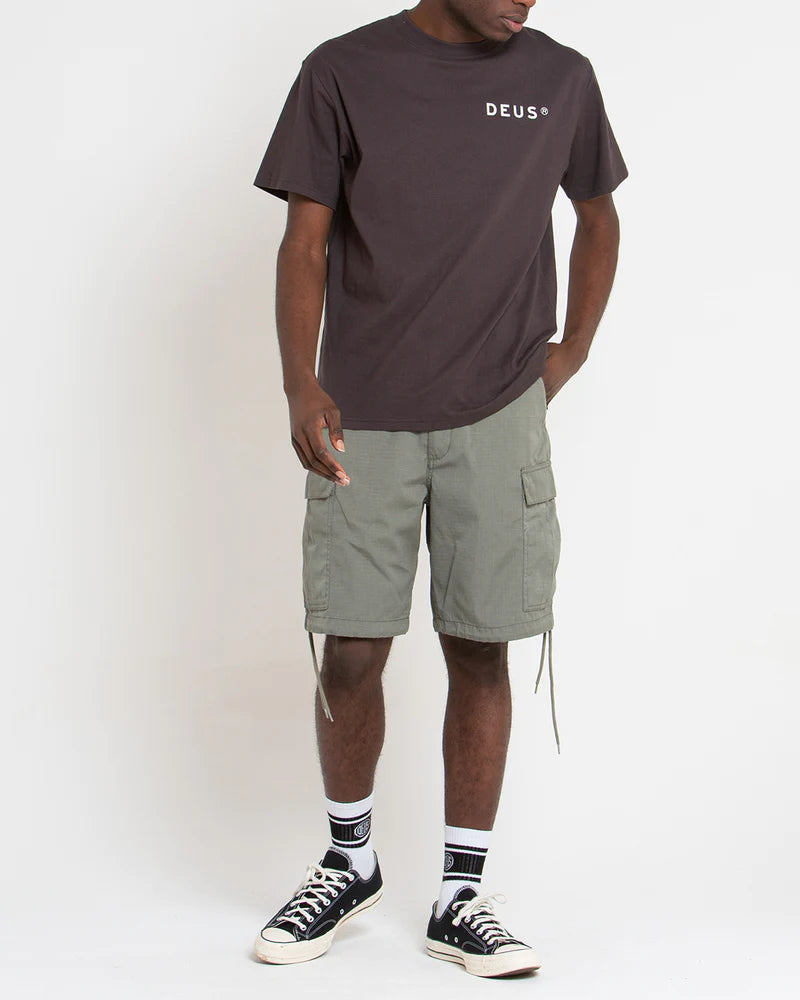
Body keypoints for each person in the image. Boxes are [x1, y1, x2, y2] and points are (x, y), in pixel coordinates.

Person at [250, 0, 628, 978]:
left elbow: (598, 216)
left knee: (480, 644)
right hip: (363, 410)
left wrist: (571, 350)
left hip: (498, 408)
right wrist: (299, 381)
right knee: (350, 649)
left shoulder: (560, 78)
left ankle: (461, 895)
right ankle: (349, 861)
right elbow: (303, 240)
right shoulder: (342, 69)